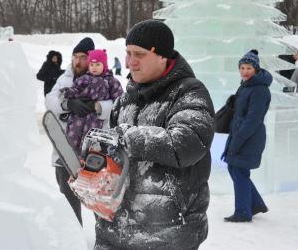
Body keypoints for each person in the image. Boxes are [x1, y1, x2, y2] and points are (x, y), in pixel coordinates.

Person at [91, 20, 215, 249]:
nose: (130, 62)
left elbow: (186, 144)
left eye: (139, 54)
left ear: (162, 57)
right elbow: (115, 154)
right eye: (128, 53)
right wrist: (94, 172)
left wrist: (130, 138)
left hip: (167, 233)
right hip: (114, 230)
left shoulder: (189, 93)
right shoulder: (124, 100)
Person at [45, 37, 115, 226]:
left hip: (95, 153)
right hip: (65, 152)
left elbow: (119, 104)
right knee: (68, 203)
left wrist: (97, 106)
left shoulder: (106, 79)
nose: (77, 61)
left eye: (83, 57)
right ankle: (73, 241)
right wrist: (68, 104)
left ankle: (105, 242)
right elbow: (50, 101)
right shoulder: (66, 77)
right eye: (75, 56)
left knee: (99, 201)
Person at [221, 50, 272, 223]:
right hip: (241, 133)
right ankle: (255, 203)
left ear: (256, 69)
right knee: (235, 169)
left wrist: (237, 141)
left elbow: (253, 119)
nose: (244, 71)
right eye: (242, 68)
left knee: (238, 170)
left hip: (250, 136)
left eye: (249, 68)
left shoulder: (259, 89)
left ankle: (243, 212)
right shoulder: (246, 85)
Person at [62, 49, 123, 154]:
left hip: (96, 118)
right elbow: (76, 89)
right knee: (73, 134)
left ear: (104, 65)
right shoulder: (84, 78)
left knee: (91, 139)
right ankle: (70, 153)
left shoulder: (111, 81)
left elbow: (119, 99)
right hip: (79, 116)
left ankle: (89, 156)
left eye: (98, 64)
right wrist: (68, 93)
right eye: (92, 64)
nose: (94, 68)